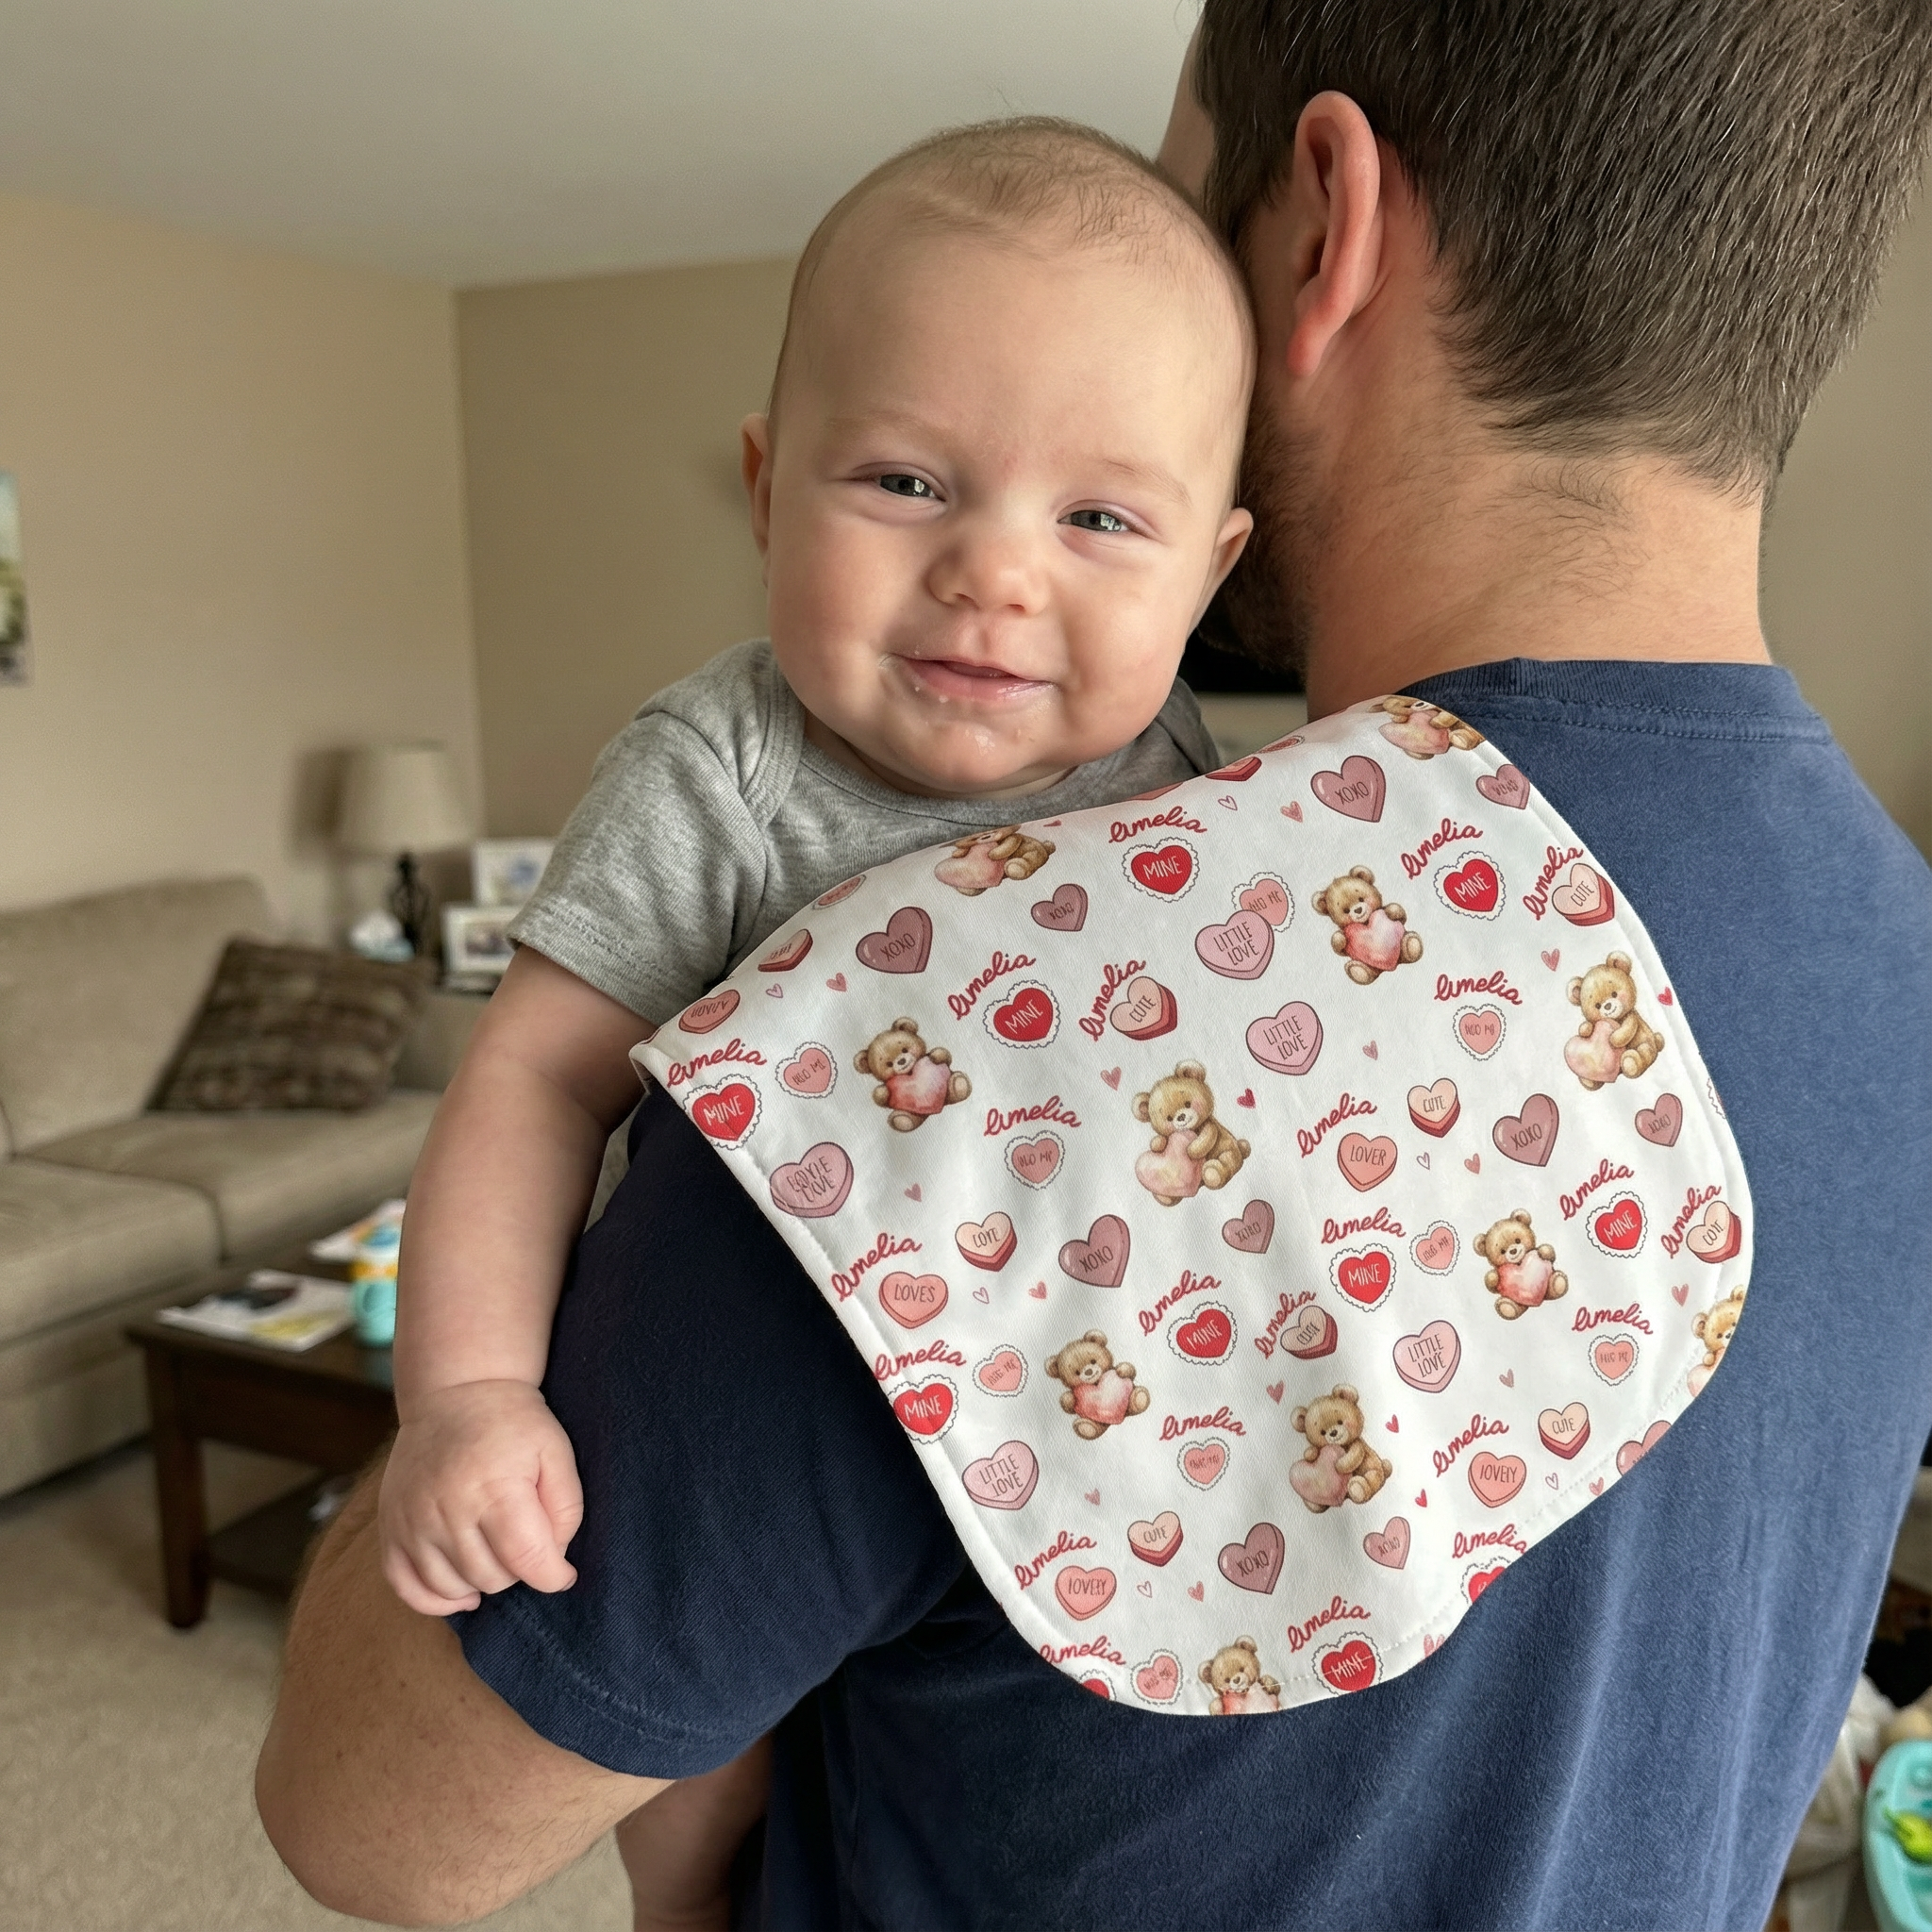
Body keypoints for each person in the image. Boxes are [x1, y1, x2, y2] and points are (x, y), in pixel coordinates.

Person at [258, 3, 1932, 1926]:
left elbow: (364, 1816)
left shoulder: (948, 1034)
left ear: (1319, 228)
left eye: (1178, 204)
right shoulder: (1902, 962)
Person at [373, 118, 1255, 1925]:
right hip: (742, 1413)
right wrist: (461, 1396)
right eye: (907, 484)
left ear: (1213, 573)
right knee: (700, 1761)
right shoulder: (724, 776)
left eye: (1099, 519)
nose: (995, 575)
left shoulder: (1190, 791)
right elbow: (536, 1081)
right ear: (768, 487)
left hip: (1040, 1413)